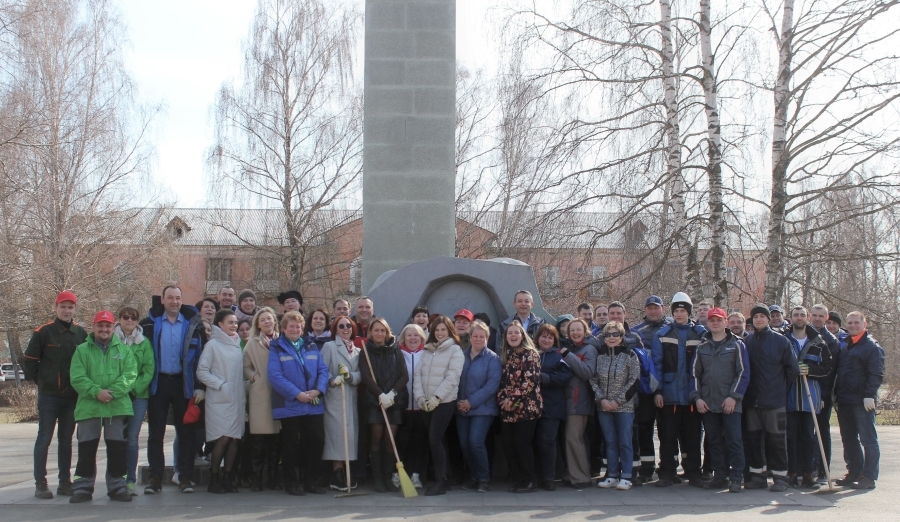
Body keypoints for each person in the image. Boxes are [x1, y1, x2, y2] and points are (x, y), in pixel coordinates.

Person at [140, 285, 206, 494]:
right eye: (170, 298)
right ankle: (155, 477)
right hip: (158, 383)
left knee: (185, 432)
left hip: (183, 383)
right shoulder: (149, 324)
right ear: (163, 300)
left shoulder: (193, 325)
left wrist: (199, 386)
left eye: (178, 298)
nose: (174, 302)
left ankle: (185, 477)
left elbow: (201, 358)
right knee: (155, 433)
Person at [22, 290, 87, 499]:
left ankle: (64, 482)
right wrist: (42, 381)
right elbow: (29, 361)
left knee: (66, 440)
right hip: (49, 396)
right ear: (55, 308)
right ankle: (40, 483)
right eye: (63, 306)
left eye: (70, 307)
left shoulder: (81, 334)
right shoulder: (44, 332)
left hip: (72, 397)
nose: (66, 310)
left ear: (75, 309)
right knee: (44, 439)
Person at [67, 310, 137, 503]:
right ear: (94, 327)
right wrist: (96, 392)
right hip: (89, 408)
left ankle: (117, 488)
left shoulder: (124, 351)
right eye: (100, 325)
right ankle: (82, 488)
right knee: (86, 449)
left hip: (117, 407)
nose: (104, 329)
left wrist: (112, 392)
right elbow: (77, 377)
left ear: (112, 327)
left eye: (107, 326)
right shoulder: (81, 350)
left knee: (117, 451)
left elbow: (130, 376)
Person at [268, 311, 329, 496]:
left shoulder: (311, 345)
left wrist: (318, 390)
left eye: (298, 326)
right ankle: (292, 483)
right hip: (290, 405)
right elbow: (275, 376)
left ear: (303, 328)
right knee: (291, 445)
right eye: (291, 326)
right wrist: (297, 394)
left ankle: (310, 482)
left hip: (313, 403)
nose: (295, 329)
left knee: (316, 442)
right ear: (284, 328)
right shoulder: (276, 347)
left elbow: (323, 370)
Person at [689, 307, 749, 493]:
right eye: (712, 320)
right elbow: (694, 375)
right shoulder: (702, 347)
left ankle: (737, 477)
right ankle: (719, 476)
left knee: (734, 440)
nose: (715, 323)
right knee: (713, 441)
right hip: (708, 402)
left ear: (725, 323)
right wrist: (697, 399)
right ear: (708, 323)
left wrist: (733, 397)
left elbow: (743, 373)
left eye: (719, 320)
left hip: (730, 403)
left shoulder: (737, 345)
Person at [651, 292, 707, 487]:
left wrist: (698, 393)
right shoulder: (662, 335)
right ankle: (667, 472)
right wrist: (657, 391)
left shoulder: (700, 334)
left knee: (692, 436)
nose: (680, 314)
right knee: (667, 436)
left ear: (689, 312)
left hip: (692, 395)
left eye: (683, 310)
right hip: (669, 395)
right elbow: (656, 365)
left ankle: (693, 472)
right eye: (677, 310)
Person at [742, 304, 799, 492]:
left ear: (768, 319)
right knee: (753, 440)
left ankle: (781, 477)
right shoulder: (746, 342)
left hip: (774, 401)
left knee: (777, 440)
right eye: (755, 317)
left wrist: (779, 388)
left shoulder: (781, 342)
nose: (759, 319)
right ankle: (757, 476)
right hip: (752, 401)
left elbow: (792, 370)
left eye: (762, 316)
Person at [197, 309, 246, 493]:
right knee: (223, 438)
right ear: (220, 324)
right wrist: (220, 385)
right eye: (230, 322)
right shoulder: (213, 345)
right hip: (220, 399)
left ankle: (228, 476)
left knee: (234, 439)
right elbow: (202, 371)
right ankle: (214, 476)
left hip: (236, 399)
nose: (234, 325)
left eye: (235, 323)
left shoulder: (237, 344)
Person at [414, 316, 464, 496]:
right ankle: (445, 477)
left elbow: (452, 377)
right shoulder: (427, 350)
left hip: (444, 402)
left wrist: (436, 397)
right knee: (438, 440)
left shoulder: (455, 351)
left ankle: (440, 481)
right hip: (426, 402)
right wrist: (420, 397)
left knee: (434, 439)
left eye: (443, 330)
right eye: (437, 330)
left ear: (450, 331)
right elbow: (418, 375)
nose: (440, 333)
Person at [783, 306, 833, 489]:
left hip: (809, 396)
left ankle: (808, 473)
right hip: (789, 396)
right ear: (790, 317)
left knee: (808, 437)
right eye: (795, 315)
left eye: (802, 315)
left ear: (808, 318)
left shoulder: (819, 342)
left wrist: (810, 371)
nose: (799, 318)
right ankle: (792, 472)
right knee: (791, 436)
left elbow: (827, 367)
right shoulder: (784, 339)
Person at [833, 311, 884, 490]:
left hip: (862, 401)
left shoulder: (871, 346)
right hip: (845, 400)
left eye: (856, 322)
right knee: (849, 439)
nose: (853, 325)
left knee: (868, 439)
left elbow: (876, 373)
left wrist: (870, 394)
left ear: (865, 324)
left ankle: (869, 476)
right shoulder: (847, 345)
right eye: (850, 323)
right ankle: (854, 471)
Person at [359, 317, 409, 493]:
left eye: (382, 330)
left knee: (390, 441)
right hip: (374, 402)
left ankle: (388, 478)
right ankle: (378, 479)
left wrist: (392, 393)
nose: (379, 333)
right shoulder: (365, 351)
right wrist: (380, 394)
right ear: (370, 333)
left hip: (393, 402)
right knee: (376, 439)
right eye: (376, 330)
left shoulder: (396, 350)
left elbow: (404, 376)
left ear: (387, 332)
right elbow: (366, 377)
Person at [591, 321, 641, 490]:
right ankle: (612, 474)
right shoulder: (600, 356)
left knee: (625, 441)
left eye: (615, 334)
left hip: (624, 407)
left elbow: (633, 380)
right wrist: (602, 399)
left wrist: (617, 400)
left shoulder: (630, 355)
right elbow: (593, 380)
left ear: (621, 336)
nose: (611, 338)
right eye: (608, 335)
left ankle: (626, 476)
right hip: (603, 407)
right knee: (610, 442)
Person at [497, 321, 543, 493]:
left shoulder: (530, 354)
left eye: (516, 333)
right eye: (510, 333)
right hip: (507, 409)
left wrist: (512, 401)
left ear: (522, 335)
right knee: (508, 444)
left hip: (526, 408)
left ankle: (530, 479)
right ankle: (519, 479)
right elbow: (501, 382)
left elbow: (530, 380)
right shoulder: (507, 356)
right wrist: (504, 400)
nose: (513, 336)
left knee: (522, 444)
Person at [456, 320, 501, 493]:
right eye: (475, 336)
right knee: (465, 444)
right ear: (470, 336)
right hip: (462, 408)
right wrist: (461, 402)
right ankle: (473, 476)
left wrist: (471, 402)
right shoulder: (462, 355)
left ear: (487, 338)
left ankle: (483, 478)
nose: (478, 339)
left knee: (475, 441)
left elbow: (492, 385)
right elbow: (457, 380)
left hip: (483, 408)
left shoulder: (493, 359)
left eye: (482, 336)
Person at [115, 307, 155, 497]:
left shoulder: (144, 342)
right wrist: (121, 390)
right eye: (125, 317)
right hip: (117, 396)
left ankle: (130, 481)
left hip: (138, 397)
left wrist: (135, 389)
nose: (129, 320)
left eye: (133, 317)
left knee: (131, 439)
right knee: (115, 439)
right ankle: (116, 479)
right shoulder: (111, 340)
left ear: (138, 320)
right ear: (119, 319)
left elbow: (148, 369)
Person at [320, 316, 362, 492]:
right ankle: (336, 473)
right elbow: (322, 369)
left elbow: (361, 373)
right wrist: (332, 380)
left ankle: (347, 472)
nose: (345, 328)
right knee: (336, 436)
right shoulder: (329, 347)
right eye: (341, 326)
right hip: (335, 398)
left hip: (351, 397)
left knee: (350, 437)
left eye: (348, 326)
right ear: (335, 329)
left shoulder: (358, 350)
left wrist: (351, 376)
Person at [242, 307, 282, 492]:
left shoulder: (282, 341)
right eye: (263, 319)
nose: (267, 322)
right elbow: (245, 366)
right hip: (260, 394)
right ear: (257, 323)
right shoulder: (252, 343)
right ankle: (257, 479)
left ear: (274, 321)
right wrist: (254, 378)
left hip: (279, 393)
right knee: (258, 440)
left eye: (269, 319)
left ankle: (273, 478)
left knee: (276, 441)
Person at [632, 295, 670, 482]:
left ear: (663, 308)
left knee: (667, 430)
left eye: (657, 308)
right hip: (646, 389)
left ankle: (668, 467)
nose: (653, 311)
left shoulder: (671, 329)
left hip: (667, 387)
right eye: (650, 308)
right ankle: (647, 468)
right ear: (645, 310)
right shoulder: (636, 332)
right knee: (645, 428)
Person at [558, 318, 598, 489]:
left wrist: (568, 356)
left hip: (579, 401)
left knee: (574, 438)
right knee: (571, 438)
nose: (575, 332)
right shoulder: (573, 349)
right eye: (572, 330)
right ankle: (572, 473)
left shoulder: (589, 349)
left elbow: (587, 372)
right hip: (567, 401)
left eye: (578, 329)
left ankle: (582, 476)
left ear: (585, 331)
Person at [533, 324, 573, 491]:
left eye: (550, 337)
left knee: (548, 442)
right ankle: (535, 476)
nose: (547, 340)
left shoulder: (559, 356)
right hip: (532, 406)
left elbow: (565, 376)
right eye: (544, 336)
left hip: (553, 405)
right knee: (533, 441)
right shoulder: (531, 354)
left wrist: (545, 378)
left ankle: (549, 477)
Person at [809, 304, 841, 484]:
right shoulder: (803, 335)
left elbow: (831, 372)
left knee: (822, 432)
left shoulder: (831, 341)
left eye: (821, 316)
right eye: (814, 315)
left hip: (822, 394)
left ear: (826, 317)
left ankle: (822, 470)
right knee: (805, 432)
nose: (817, 319)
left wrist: (822, 395)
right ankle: (807, 468)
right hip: (803, 391)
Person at [396, 324, 428, 490]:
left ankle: (416, 474)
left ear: (422, 338)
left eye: (416, 335)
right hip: (402, 407)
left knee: (419, 443)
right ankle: (399, 474)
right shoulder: (397, 354)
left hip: (422, 408)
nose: (413, 338)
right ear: (403, 337)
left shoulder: (428, 354)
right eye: (409, 335)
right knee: (401, 442)